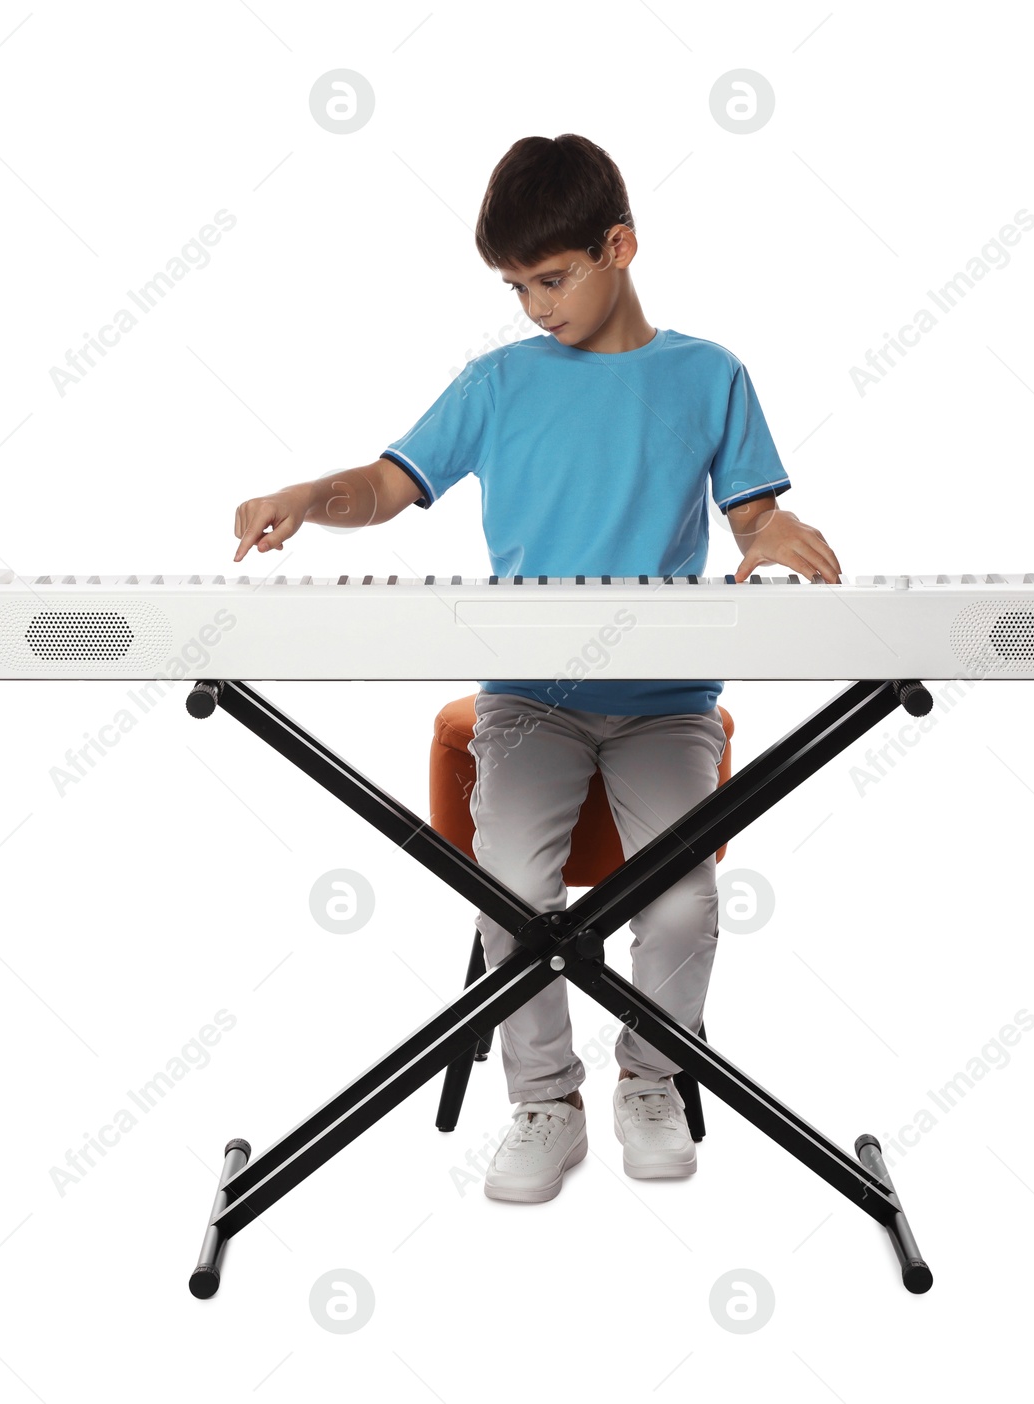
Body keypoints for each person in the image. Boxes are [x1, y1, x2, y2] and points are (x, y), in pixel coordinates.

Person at [232, 133, 841, 1204]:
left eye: (553, 279)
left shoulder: (708, 375)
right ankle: (544, 1102)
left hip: (667, 707)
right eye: (517, 287)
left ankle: (651, 1081)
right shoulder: (498, 383)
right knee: (508, 890)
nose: (535, 308)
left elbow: (753, 520)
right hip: (528, 705)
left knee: (684, 905)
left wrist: (773, 534)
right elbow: (382, 486)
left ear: (620, 245)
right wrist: (307, 498)